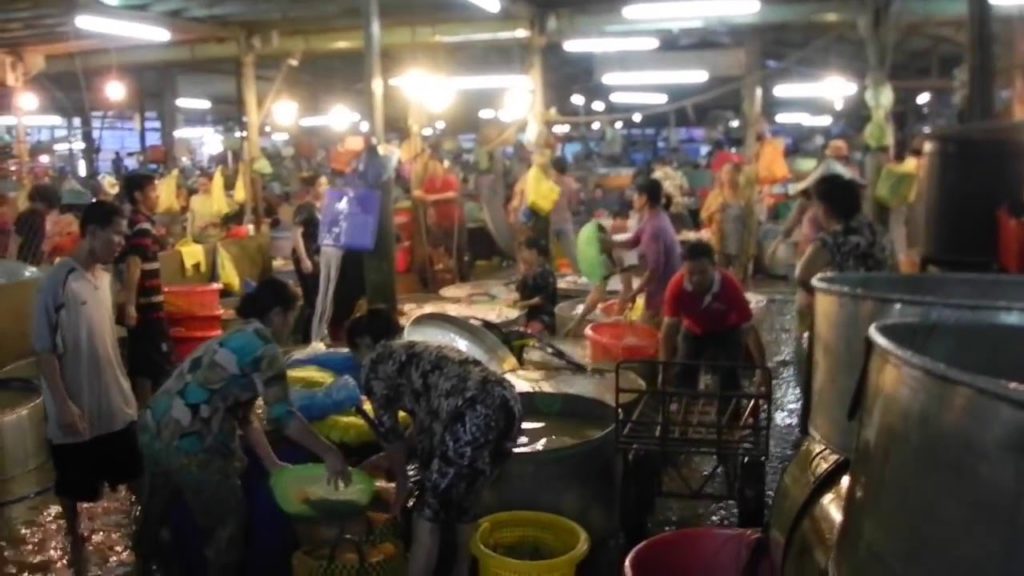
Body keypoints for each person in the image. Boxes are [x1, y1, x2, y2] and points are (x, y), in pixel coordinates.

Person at [134, 277, 350, 575]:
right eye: (291, 317)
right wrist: (329, 452)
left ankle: (146, 563)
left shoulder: (236, 336)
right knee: (228, 527)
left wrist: (273, 464)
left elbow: (244, 416)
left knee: (154, 514)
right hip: (191, 445)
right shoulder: (266, 349)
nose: (290, 326)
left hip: (152, 428)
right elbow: (284, 418)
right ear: (277, 315)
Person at [348, 309, 522, 576]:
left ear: (362, 343)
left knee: (426, 512)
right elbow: (423, 422)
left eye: (354, 353)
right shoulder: (415, 351)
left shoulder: (375, 363)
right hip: (507, 401)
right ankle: (461, 570)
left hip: (471, 412)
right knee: (465, 500)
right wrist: (387, 459)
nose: (358, 361)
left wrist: (403, 480)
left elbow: (390, 435)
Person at [32, 201, 139, 576]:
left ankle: (141, 549)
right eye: (117, 233)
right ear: (93, 232)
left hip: (115, 404)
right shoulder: (58, 282)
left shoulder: (106, 279)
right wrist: (62, 405)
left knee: (136, 480)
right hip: (75, 410)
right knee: (73, 496)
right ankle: (78, 559)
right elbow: (45, 351)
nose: (121, 242)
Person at [794, 174, 891, 435]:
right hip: (880, 320)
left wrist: (822, 297)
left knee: (825, 377)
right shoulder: (877, 232)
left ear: (825, 208)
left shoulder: (833, 239)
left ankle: (821, 434)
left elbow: (803, 275)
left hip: (841, 321)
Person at [660, 241, 770, 396]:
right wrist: (663, 368)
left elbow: (749, 330)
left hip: (727, 331)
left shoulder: (730, 286)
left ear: (714, 267)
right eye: (691, 273)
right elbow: (669, 329)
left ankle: (731, 413)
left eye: (703, 272)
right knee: (683, 372)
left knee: (728, 376)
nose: (696, 279)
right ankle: (683, 409)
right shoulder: (676, 286)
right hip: (693, 330)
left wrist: (762, 369)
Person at [118, 172, 172, 408]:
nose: (156, 195)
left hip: (142, 306)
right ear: (138, 195)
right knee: (151, 364)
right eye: (152, 191)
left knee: (143, 364)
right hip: (146, 307)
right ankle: (147, 415)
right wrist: (131, 305)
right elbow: (133, 263)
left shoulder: (134, 220)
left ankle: (144, 413)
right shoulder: (141, 223)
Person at [616, 178, 682, 325]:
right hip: (661, 283)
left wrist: (635, 293)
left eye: (635, 195)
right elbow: (632, 242)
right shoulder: (655, 216)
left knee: (644, 333)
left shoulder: (654, 227)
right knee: (622, 257)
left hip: (664, 291)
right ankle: (627, 292)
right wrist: (607, 243)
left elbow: (654, 269)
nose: (633, 199)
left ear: (644, 198)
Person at [562, 219, 635, 336]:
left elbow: (627, 290)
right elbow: (601, 293)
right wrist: (577, 322)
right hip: (594, 243)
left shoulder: (623, 249)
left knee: (599, 292)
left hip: (586, 236)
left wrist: (617, 316)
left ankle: (577, 324)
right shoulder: (614, 256)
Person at [701, 162, 759, 284]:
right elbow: (703, 216)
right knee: (718, 280)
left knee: (739, 282)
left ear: (737, 175)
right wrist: (715, 209)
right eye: (725, 173)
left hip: (740, 246)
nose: (727, 177)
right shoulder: (716, 195)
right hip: (720, 245)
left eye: (730, 173)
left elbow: (752, 225)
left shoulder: (745, 196)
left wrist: (751, 249)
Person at [291, 173, 324, 343]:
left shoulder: (319, 207)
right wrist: (304, 259)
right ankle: (306, 337)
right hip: (307, 255)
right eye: (321, 184)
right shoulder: (305, 208)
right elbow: (296, 234)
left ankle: (308, 334)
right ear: (311, 188)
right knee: (313, 297)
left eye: (326, 184)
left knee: (316, 296)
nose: (325, 188)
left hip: (316, 255)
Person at [514, 236, 558, 336]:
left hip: (544, 315)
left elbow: (543, 298)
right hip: (528, 314)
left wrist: (523, 303)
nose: (522, 255)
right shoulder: (527, 273)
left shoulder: (546, 273)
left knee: (528, 334)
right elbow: (518, 292)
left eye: (524, 251)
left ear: (534, 252)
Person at [9, 183, 60, 265]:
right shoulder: (32, 216)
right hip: (23, 264)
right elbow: (18, 243)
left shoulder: (31, 215)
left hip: (22, 263)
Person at [549, 156, 580, 271]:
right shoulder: (570, 183)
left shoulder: (548, 182)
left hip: (550, 221)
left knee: (549, 254)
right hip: (565, 220)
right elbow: (573, 205)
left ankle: (549, 278)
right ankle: (581, 277)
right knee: (572, 253)